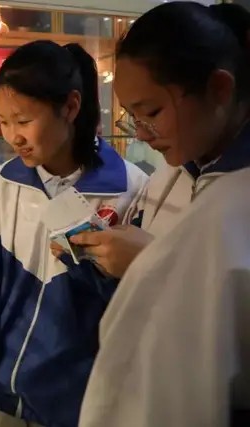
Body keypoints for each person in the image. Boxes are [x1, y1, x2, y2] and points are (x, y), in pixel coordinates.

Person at [0, 40, 148, 427]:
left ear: (71, 107)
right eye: (3, 122)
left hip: (86, 402)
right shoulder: (3, 185)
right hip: (6, 395)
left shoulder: (130, 188)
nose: (13, 137)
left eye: (23, 121)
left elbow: (136, 307)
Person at [74, 3, 250, 426]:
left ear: (219, 89)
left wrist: (153, 264)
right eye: (132, 115)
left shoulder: (238, 194)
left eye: (152, 113)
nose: (140, 133)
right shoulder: (175, 168)